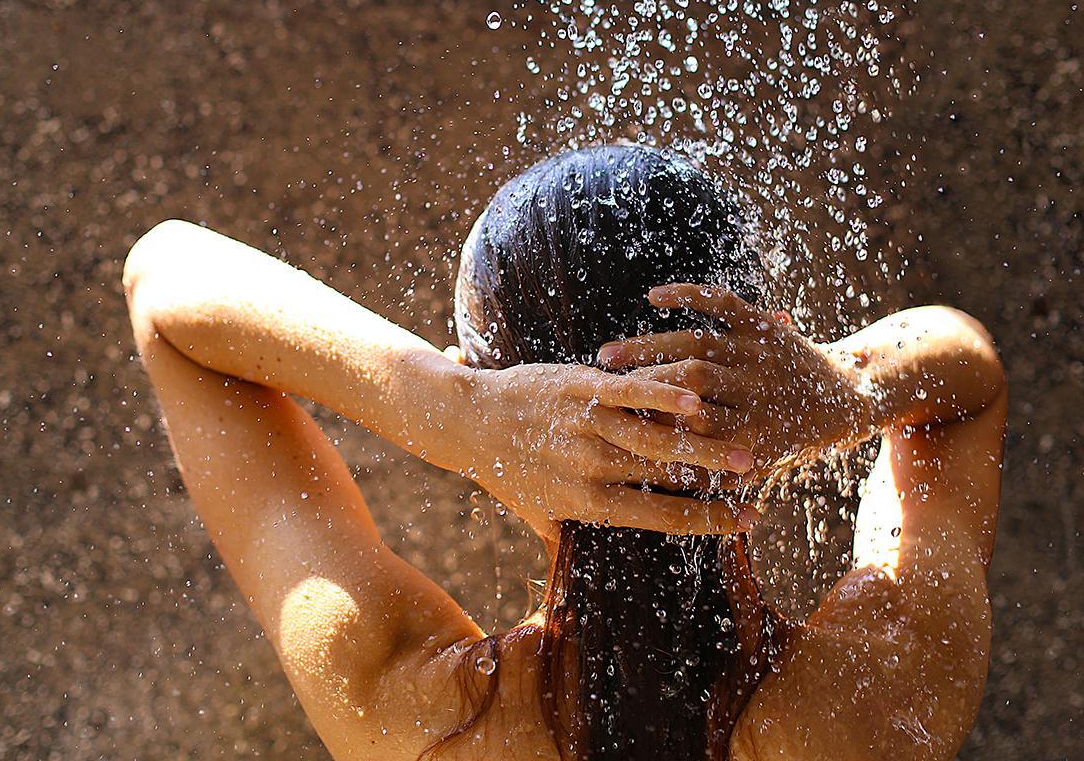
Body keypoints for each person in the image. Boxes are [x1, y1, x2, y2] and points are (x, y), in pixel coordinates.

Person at [122, 145, 1005, 760]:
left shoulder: (410, 712)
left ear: (503, 397)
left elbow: (165, 277)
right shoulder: (879, 700)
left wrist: (449, 407)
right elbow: (963, 377)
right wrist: (836, 390)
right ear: (763, 368)